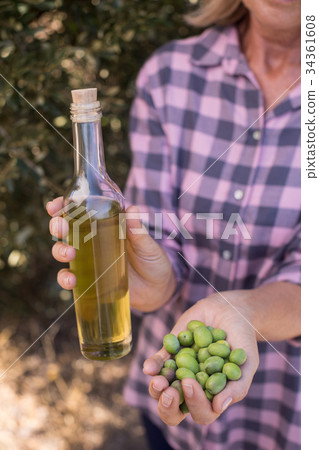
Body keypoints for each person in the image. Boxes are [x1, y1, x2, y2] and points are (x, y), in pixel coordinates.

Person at [47, 0, 301, 448]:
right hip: (169, 416)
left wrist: (247, 312)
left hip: (286, 419)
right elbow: (156, 230)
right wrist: (150, 281)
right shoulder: (169, 76)